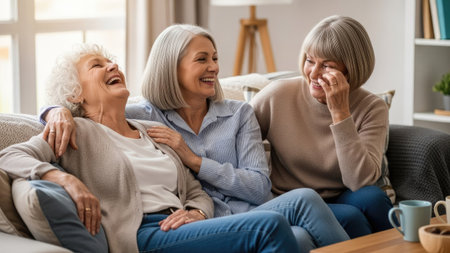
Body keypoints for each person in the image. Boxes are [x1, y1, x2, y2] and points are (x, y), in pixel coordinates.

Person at [41, 24, 349, 251]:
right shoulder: (145, 117)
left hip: (241, 213)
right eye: (202, 60)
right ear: (171, 67)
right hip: (184, 226)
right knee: (297, 235)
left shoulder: (236, 114)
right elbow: (84, 107)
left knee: (310, 201)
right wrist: (56, 111)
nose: (214, 68)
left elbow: (257, 187)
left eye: (215, 58)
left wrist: (194, 161)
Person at [0, 43, 301, 253]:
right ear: (75, 93)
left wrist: (198, 211)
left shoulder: (149, 129)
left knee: (303, 206)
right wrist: (62, 178)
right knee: (269, 226)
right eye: (98, 65)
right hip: (144, 235)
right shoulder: (76, 131)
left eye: (111, 62)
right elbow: (9, 155)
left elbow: (194, 189)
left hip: (180, 225)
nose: (113, 65)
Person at [250, 15, 393, 238]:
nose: (313, 73)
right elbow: (236, 142)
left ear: (350, 69)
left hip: (342, 193)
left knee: (373, 199)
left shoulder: (371, 107)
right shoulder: (276, 96)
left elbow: (360, 181)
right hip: (291, 199)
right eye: (309, 60)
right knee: (350, 217)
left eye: (327, 65)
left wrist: (340, 113)